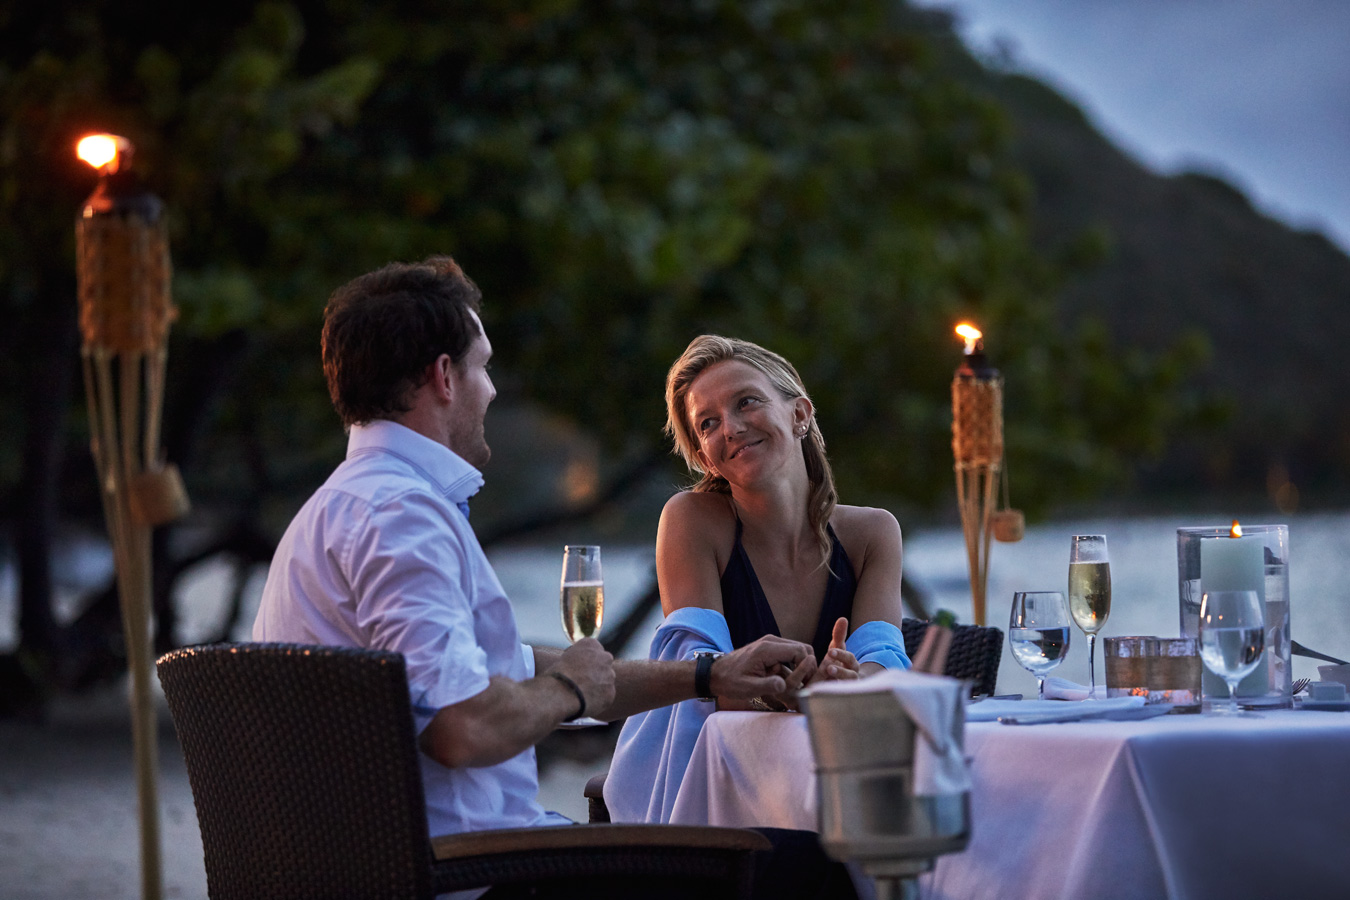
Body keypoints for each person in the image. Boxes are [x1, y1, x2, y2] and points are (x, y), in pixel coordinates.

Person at [252, 258, 822, 898]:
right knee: (813, 865)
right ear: (444, 376)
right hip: (475, 876)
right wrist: (569, 693)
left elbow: (514, 671)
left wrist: (705, 675)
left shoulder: (338, 509)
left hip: (405, 866)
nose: (490, 390)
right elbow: (462, 727)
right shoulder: (399, 518)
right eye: (483, 366)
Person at [605, 335, 909, 824]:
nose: (731, 427)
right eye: (708, 423)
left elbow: (885, 661)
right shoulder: (692, 521)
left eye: (747, 401)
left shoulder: (873, 533)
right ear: (705, 457)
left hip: (831, 782)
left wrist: (849, 680)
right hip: (715, 792)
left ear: (800, 413)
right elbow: (699, 676)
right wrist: (802, 690)